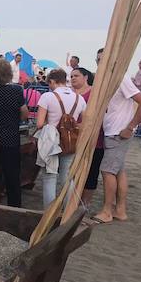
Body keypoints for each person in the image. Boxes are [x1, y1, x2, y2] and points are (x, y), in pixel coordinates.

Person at [93, 74, 141, 224]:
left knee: (107, 170)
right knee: (118, 170)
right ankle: (120, 210)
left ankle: (107, 211)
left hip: (118, 132)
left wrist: (130, 127)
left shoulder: (121, 79)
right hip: (113, 131)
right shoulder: (109, 80)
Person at [0, 57, 29, 207]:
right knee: (13, 177)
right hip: (10, 138)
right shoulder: (16, 90)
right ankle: (15, 206)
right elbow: (24, 114)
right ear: (8, 73)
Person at [36, 69, 86, 206]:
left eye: (49, 83)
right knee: (66, 176)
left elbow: (39, 123)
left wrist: (49, 124)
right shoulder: (79, 98)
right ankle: (67, 210)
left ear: (52, 81)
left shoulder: (47, 97)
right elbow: (85, 122)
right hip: (70, 140)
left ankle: (49, 212)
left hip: (51, 141)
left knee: (49, 176)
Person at [71, 67, 104, 204]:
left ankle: (85, 204)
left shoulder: (94, 93)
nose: (72, 78)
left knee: (91, 173)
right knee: (73, 172)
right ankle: (72, 202)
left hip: (93, 138)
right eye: (71, 76)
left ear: (85, 77)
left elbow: (97, 116)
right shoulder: (69, 93)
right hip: (72, 138)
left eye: (76, 76)